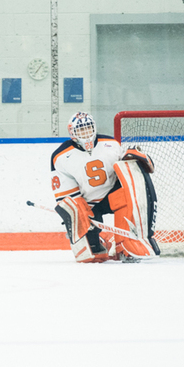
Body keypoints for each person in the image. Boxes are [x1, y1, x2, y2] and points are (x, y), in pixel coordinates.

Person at [50, 112, 159, 263]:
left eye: (88, 128)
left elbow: (127, 171)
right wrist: (76, 215)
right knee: (93, 256)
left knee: (127, 198)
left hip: (112, 195)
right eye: (81, 130)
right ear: (72, 133)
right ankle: (102, 239)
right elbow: (66, 196)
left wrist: (135, 159)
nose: (86, 133)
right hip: (88, 204)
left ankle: (126, 244)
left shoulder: (110, 144)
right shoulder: (60, 156)